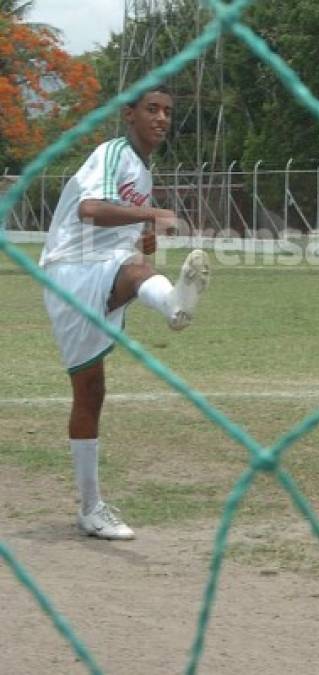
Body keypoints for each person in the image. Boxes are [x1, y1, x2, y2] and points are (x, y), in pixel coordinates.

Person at [39, 84, 210, 541]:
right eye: (151, 109)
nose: (161, 118)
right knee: (134, 274)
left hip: (101, 269)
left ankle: (90, 508)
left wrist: (145, 230)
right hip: (72, 270)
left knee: (91, 392)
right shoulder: (114, 153)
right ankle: (172, 303)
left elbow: (128, 232)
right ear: (128, 114)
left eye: (168, 112)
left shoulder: (142, 172)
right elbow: (90, 208)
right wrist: (151, 214)